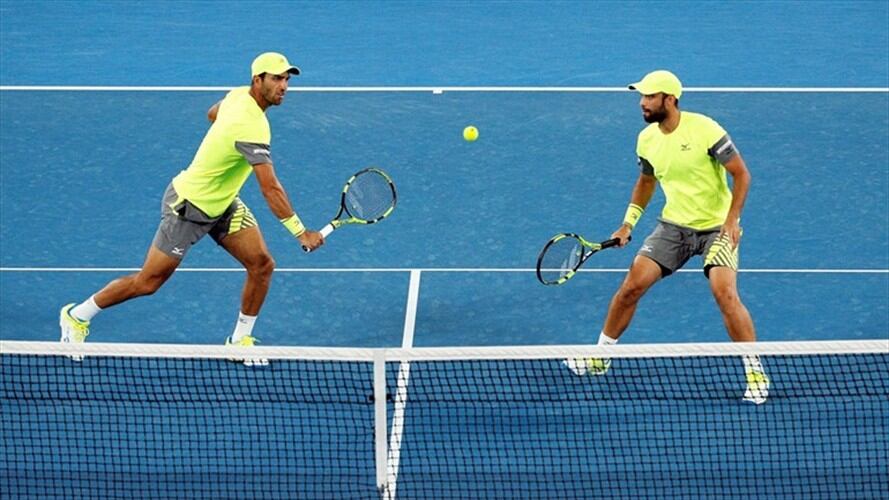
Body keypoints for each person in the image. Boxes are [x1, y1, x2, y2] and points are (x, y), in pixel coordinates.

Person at [59, 52, 324, 365]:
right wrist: (300, 232)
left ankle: (239, 341)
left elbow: (212, 113)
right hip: (188, 207)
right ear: (258, 80)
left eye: (287, 79)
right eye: (277, 78)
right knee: (148, 282)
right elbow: (270, 188)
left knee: (262, 264)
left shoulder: (239, 96)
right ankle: (77, 315)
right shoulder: (252, 125)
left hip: (223, 203)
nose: (284, 86)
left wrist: (223, 146)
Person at [564, 70, 770, 404]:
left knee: (724, 293)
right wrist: (627, 224)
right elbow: (646, 182)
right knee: (631, 286)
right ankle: (599, 356)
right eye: (641, 97)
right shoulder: (647, 139)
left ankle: (755, 370)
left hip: (716, 227)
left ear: (670, 99)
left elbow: (741, 174)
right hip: (673, 227)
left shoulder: (705, 129)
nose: (642, 103)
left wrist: (732, 220)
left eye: (649, 96)